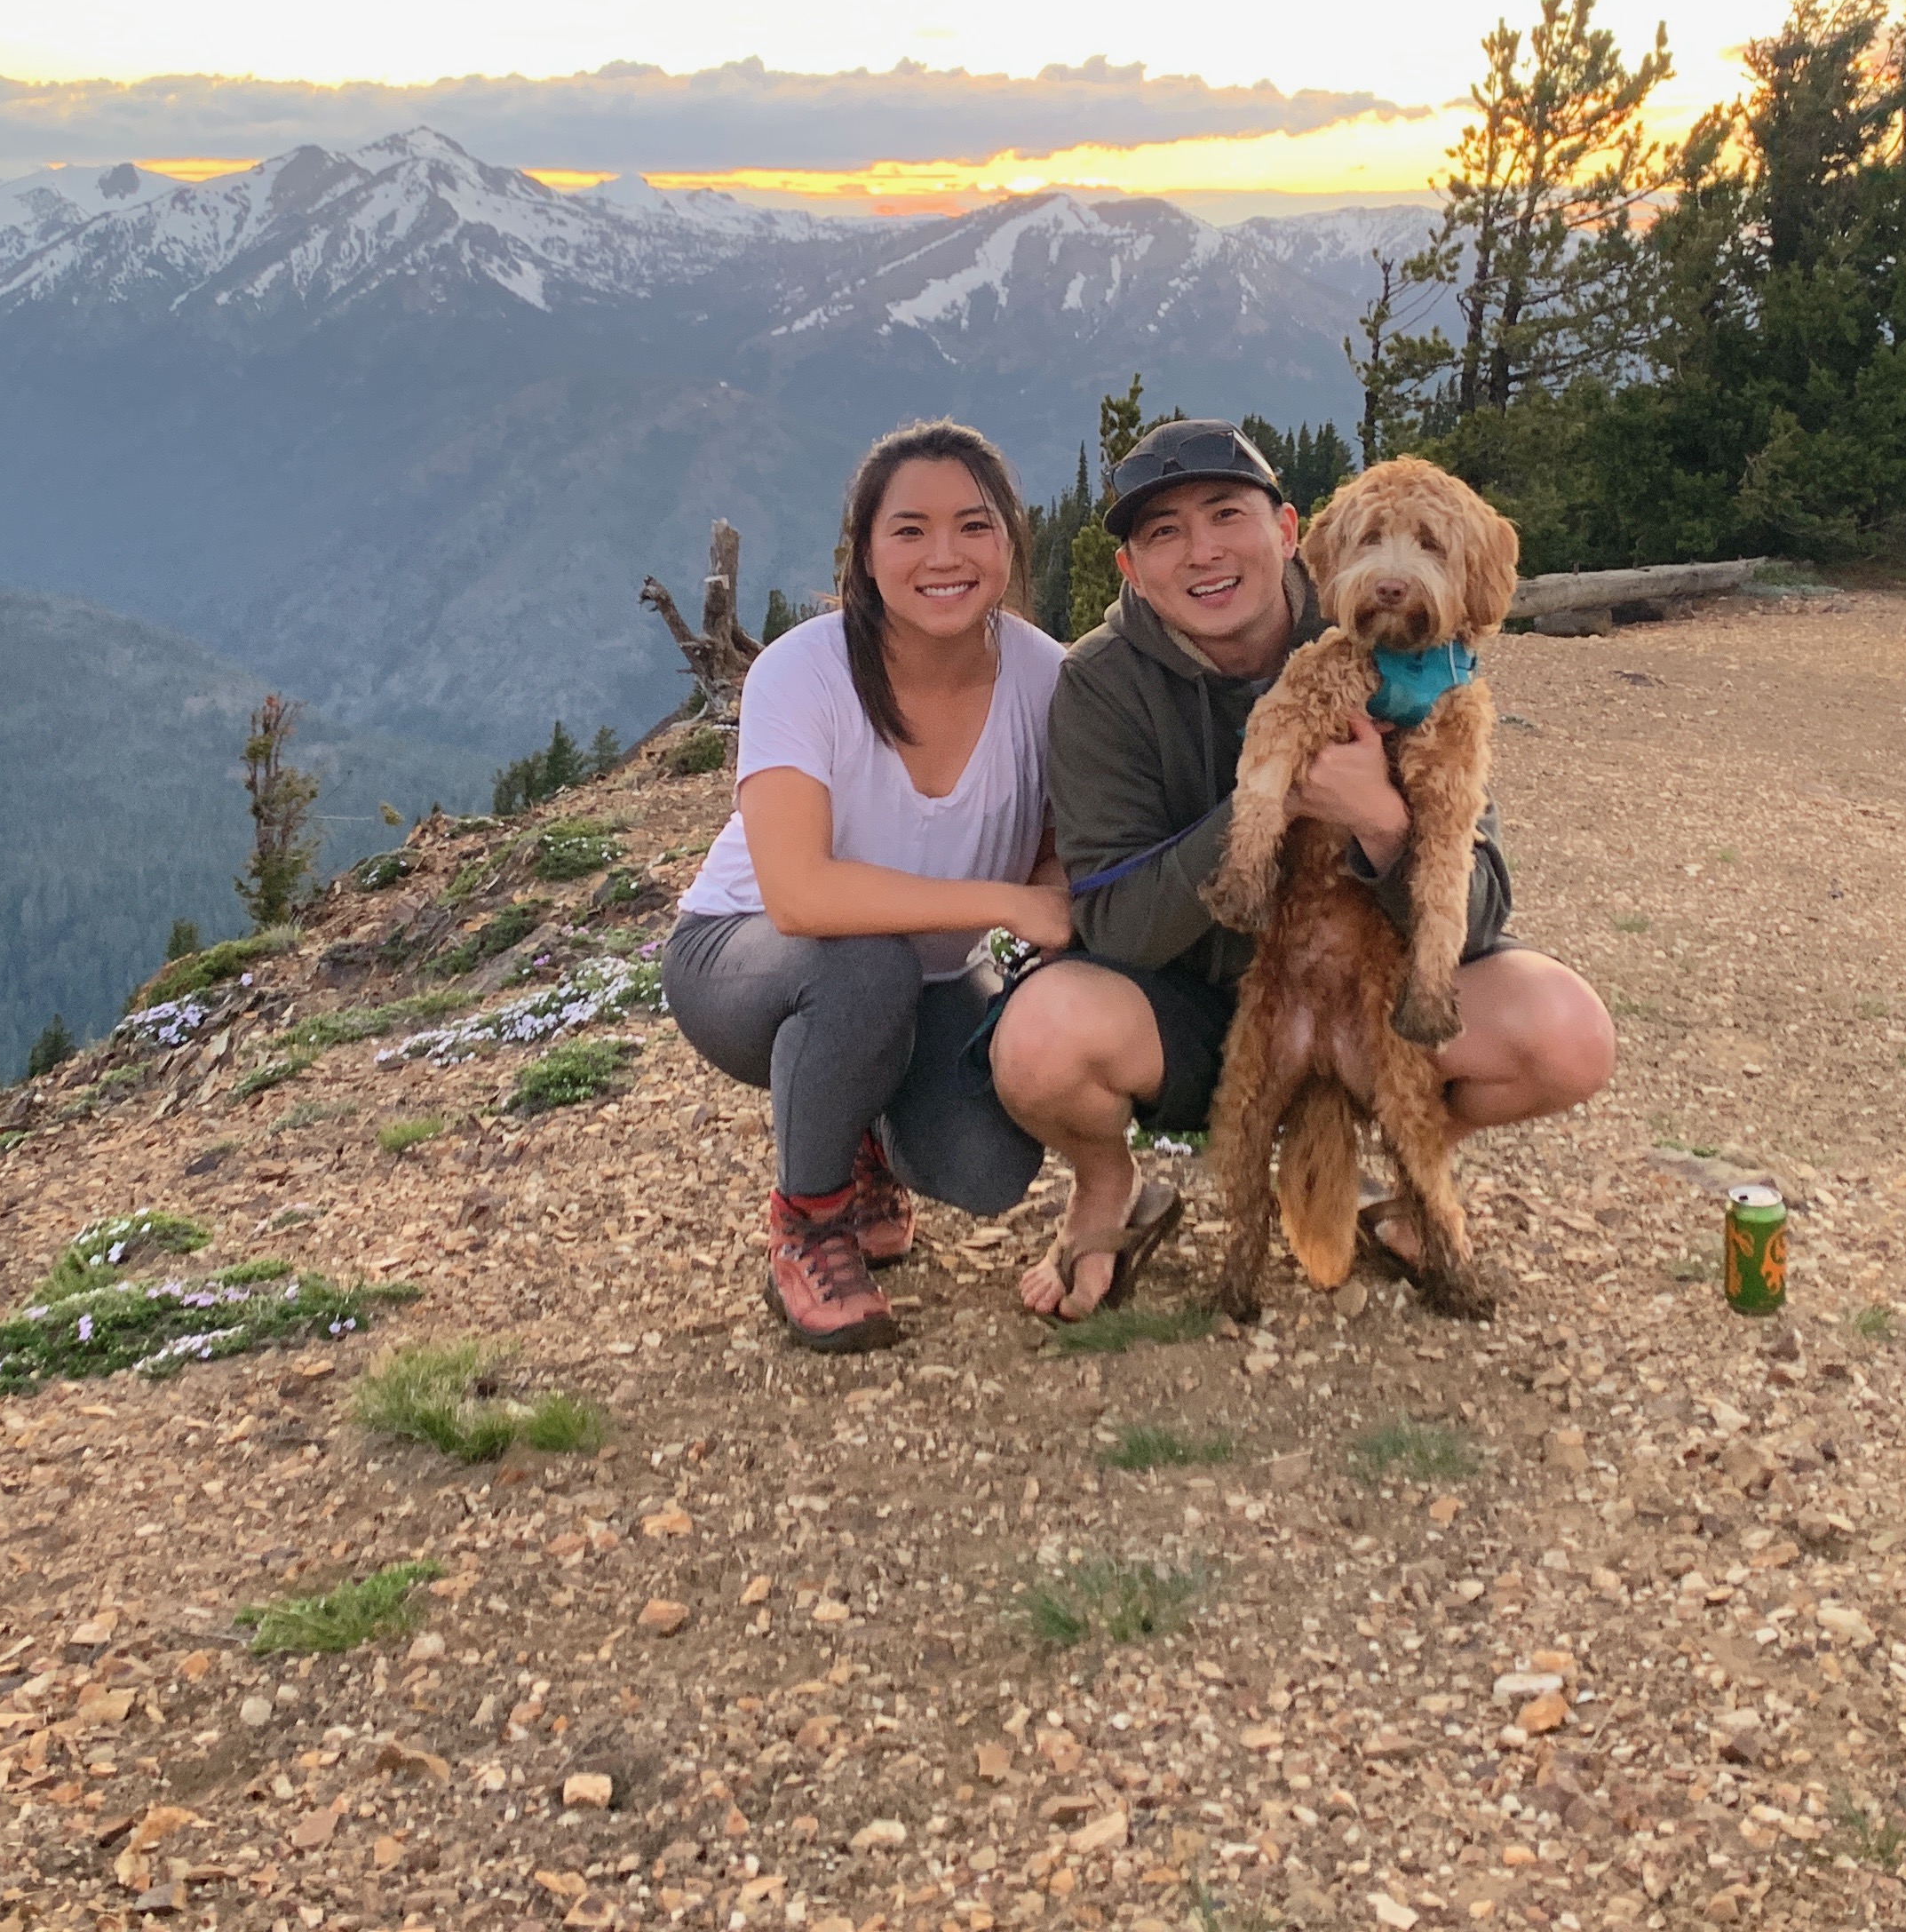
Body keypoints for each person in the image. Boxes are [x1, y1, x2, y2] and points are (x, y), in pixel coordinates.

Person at [989, 418, 1616, 1319]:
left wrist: (1380, 821)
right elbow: (1116, 926)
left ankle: (1404, 1180)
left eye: (1224, 515)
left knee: (1568, 1035)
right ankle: (1107, 1186)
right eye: (1163, 533)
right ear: (1130, 570)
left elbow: (1480, 905)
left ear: (1288, 533)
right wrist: (1275, 798)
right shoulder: (1100, 684)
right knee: (1040, 1042)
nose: (1202, 551)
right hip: (1197, 1006)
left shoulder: (1391, 627)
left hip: (1375, 989)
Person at [665, 421, 1065, 1351]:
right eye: (910, 530)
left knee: (989, 1165)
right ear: (864, 554)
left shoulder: (1049, 679)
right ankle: (809, 1221)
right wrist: (1007, 906)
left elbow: (1058, 845)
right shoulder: (801, 672)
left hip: (925, 977)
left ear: (1009, 538)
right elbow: (802, 898)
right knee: (863, 969)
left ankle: (861, 1131)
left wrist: (1054, 895)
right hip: (745, 956)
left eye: (974, 525)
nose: (945, 556)